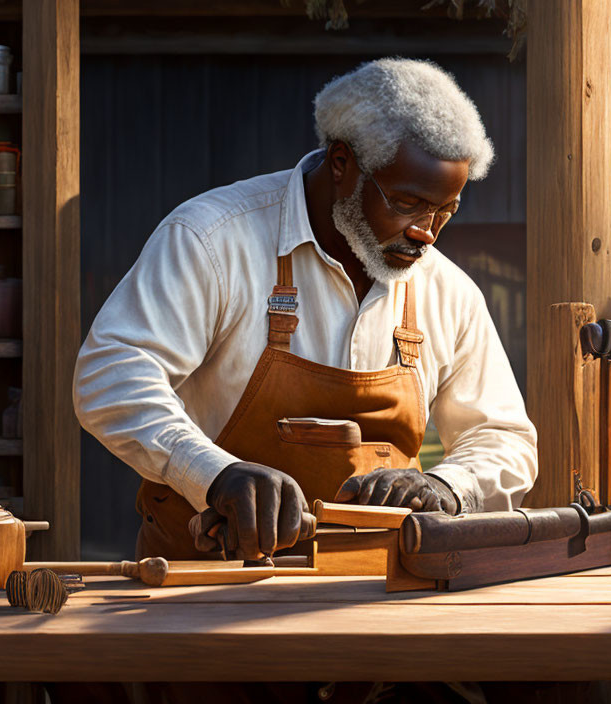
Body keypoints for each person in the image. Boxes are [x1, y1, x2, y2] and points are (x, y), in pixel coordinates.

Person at [73, 57, 537, 563]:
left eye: (445, 212)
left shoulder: (449, 291)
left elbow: (503, 436)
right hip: (205, 585)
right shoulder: (211, 239)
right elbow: (111, 372)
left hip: (375, 592)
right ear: (342, 163)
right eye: (407, 204)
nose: (426, 233)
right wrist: (211, 471)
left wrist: (447, 486)